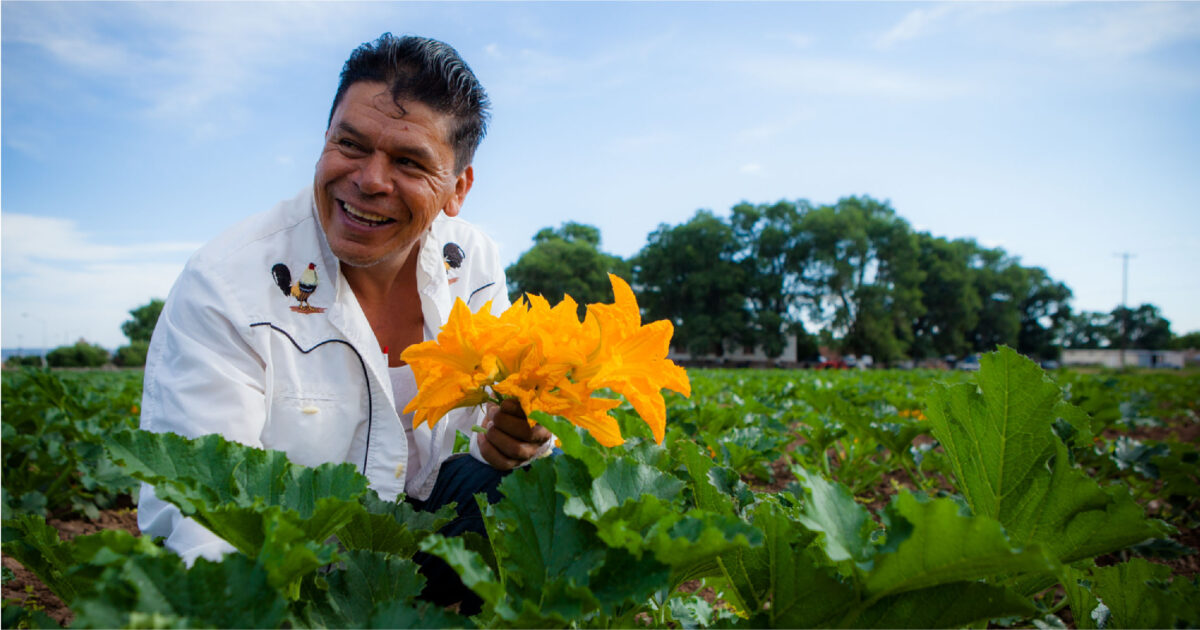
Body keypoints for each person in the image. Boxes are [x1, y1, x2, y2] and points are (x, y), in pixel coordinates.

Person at [137, 33, 552, 609]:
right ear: (325, 139)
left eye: (408, 161)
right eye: (350, 145)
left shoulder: (473, 262)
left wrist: (508, 441)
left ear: (458, 188)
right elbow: (198, 507)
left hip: (413, 536)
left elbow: (483, 436)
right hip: (289, 572)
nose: (369, 179)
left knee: (539, 486)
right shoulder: (227, 282)